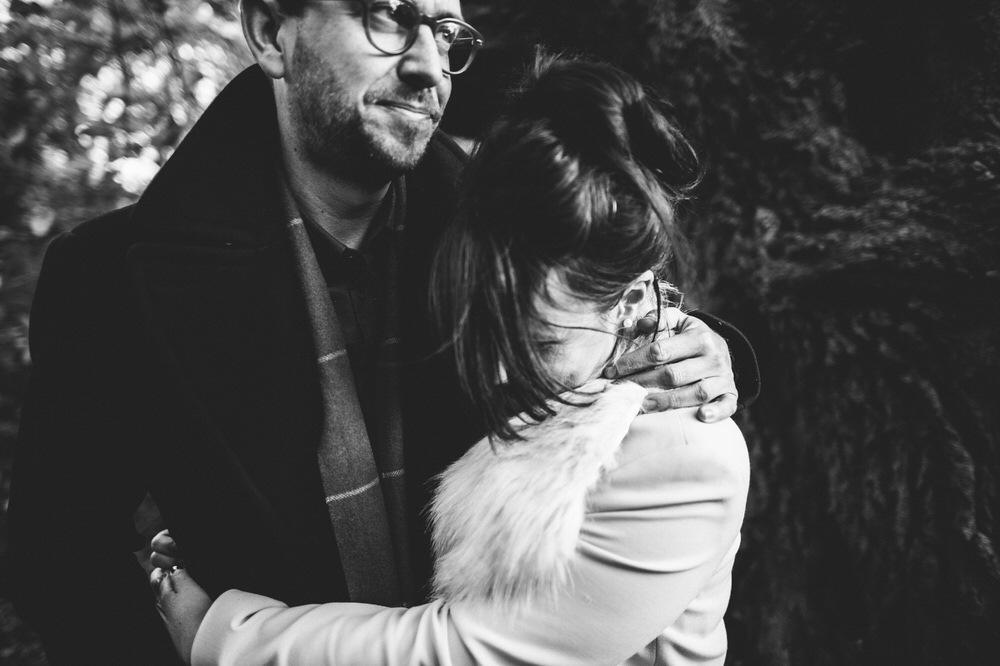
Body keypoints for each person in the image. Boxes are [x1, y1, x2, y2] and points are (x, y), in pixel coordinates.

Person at [8, 0, 756, 663]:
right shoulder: (108, 277)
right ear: (271, 31)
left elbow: (594, 304)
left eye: (446, 31)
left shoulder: (496, 229)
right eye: (388, 15)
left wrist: (701, 346)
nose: (429, 65)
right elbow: (61, 562)